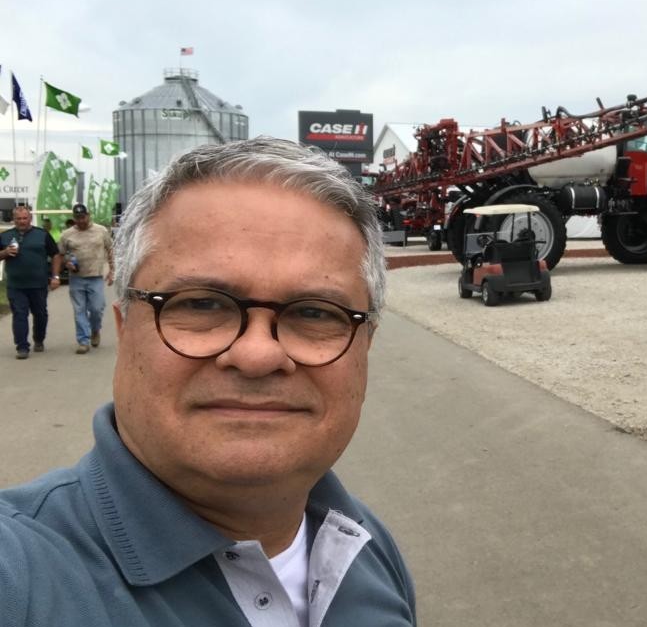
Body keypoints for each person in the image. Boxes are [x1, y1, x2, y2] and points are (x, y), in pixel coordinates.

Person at [0, 138, 416, 625]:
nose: (258, 354)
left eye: (313, 312)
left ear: (365, 346)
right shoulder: (20, 574)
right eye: (201, 304)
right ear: (124, 327)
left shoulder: (367, 548)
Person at [0, 206, 61, 359]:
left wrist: (55, 277)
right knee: (20, 315)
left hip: (38, 284)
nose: (21, 221)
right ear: (14, 219)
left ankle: (38, 339)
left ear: (30, 219)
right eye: (18, 219)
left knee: (40, 314)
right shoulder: (5, 236)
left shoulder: (42, 235)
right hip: (16, 285)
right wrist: (5, 252)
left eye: (24, 218)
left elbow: (56, 255)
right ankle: (22, 347)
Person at [57, 203, 114, 353]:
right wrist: (66, 263)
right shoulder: (67, 234)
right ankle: (83, 341)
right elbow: (61, 255)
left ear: (88, 215)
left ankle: (95, 330)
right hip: (76, 278)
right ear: (74, 218)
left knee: (97, 308)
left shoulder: (101, 231)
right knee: (79, 310)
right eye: (77, 218)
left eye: (83, 217)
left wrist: (113, 270)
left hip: (95, 276)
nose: (81, 220)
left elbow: (110, 249)